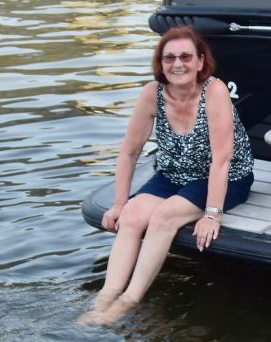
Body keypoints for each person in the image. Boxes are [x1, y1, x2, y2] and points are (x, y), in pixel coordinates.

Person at [79, 26, 254, 325]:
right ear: (160, 63)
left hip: (225, 177)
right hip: (173, 174)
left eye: (186, 56)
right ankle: (106, 297)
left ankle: (129, 300)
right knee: (133, 216)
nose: (177, 64)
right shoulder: (152, 94)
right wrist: (120, 203)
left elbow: (222, 159)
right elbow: (129, 152)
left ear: (200, 61)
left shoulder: (215, 91)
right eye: (168, 57)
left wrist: (212, 214)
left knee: (164, 216)